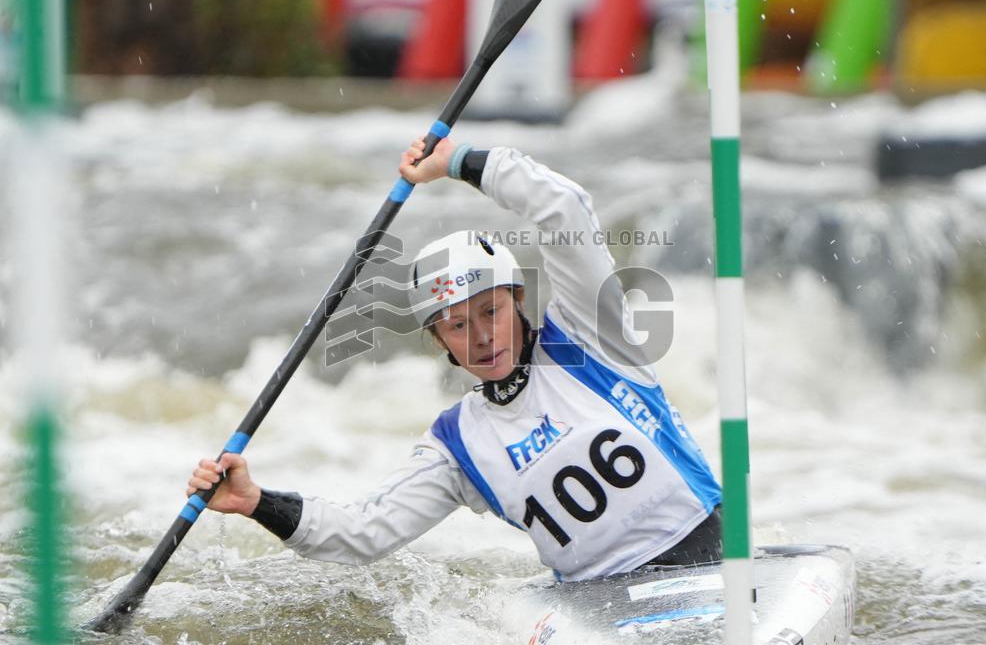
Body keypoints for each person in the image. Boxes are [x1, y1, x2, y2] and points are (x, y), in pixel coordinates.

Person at [187, 138, 722, 581]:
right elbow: (362, 532)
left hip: (714, 553)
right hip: (604, 605)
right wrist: (256, 502)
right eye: (458, 326)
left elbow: (565, 207)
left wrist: (458, 162)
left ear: (518, 300)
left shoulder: (592, 336)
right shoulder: (458, 444)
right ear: (440, 342)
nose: (483, 337)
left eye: (491, 311)